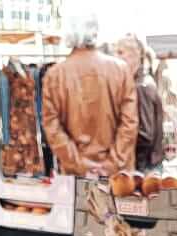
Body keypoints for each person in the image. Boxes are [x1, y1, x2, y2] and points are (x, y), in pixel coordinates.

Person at [42, 13, 136, 175]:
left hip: (76, 177)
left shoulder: (55, 75)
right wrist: (112, 163)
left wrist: (78, 163)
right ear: (95, 31)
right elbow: (129, 124)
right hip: (119, 177)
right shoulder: (120, 70)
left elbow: (52, 128)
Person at [115, 35, 164, 171]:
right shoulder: (139, 83)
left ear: (135, 55)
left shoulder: (140, 86)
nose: (116, 57)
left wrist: (116, 136)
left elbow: (145, 134)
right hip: (145, 164)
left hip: (143, 167)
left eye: (120, 52)